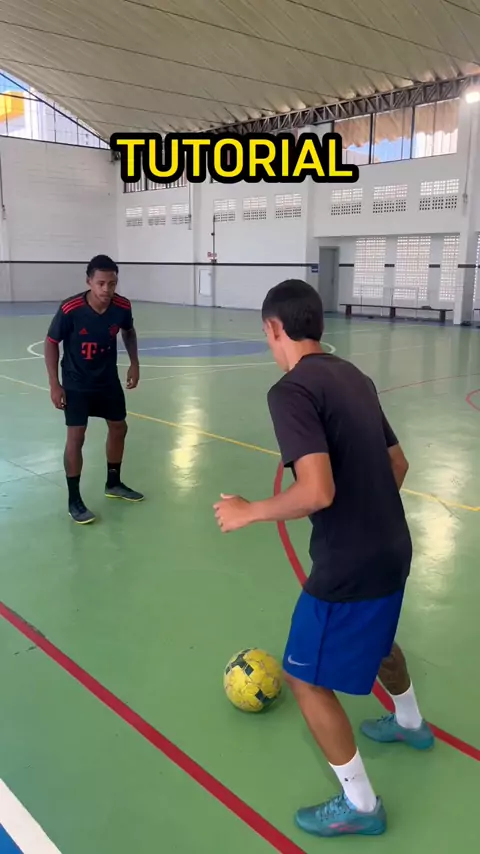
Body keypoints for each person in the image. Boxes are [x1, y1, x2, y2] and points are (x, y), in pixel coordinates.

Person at [214, 279, 434, 838]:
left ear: (274, 328)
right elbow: (399, 465)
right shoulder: (354, 376)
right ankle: (410, 723)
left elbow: (316, 491)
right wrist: (369, 514)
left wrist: (250, 511)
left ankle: (361, 805)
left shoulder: (290, 391)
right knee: (378, 639)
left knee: (304, 678)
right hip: (393, 545)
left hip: (349, 562)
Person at [44, 254, 144, 524]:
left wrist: (134, 363)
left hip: (107, 380)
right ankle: (74, 499)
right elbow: (51, 342)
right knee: (76, 436)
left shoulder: (122, 306)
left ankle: (113, 483)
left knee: (119, 428)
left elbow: (129, 331)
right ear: (89, 282)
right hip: (76, 382)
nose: (106, 289)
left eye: (112, 283)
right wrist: (54, 383)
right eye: (100, 283)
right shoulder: (71, 309)